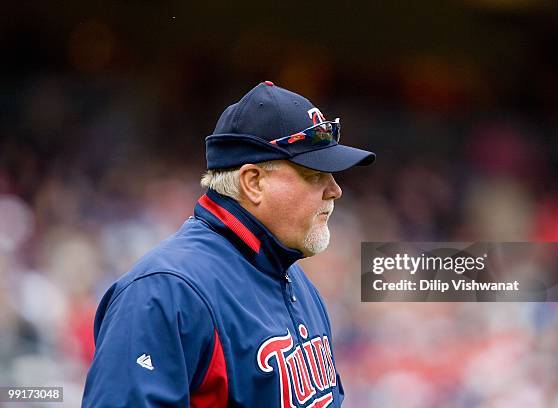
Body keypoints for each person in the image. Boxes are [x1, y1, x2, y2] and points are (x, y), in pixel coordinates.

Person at [82, 81, 375, 407]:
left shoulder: (293, 278)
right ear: (253, 182)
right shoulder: (165, 290)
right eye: (315, 175)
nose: (335, 190)